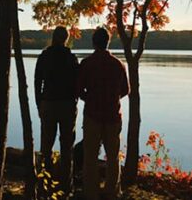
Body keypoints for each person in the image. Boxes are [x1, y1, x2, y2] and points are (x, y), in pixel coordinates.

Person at [76, 28, 129, 200]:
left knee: (90, 156)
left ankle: (90, 193)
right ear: (108, 42)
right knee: (113, 157)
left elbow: (78, 89)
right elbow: (125, 90)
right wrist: (112, 99)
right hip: (113, 116)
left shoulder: (86, 63)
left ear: (93, 42)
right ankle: (111, 192)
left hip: (92, 116)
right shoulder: (118, 64)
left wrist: (90, 99)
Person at [34, 26, 79, 196]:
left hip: (48, 104)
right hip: (67, 106)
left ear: (53, 37)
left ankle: (43, 185)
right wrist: (74, 100)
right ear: (66, 39)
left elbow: (37, 82)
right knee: (67, 147)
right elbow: (77, 83)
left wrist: (39, 104)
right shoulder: (71, 58)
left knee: (46, 146)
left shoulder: (44, 57)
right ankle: (66, 187)